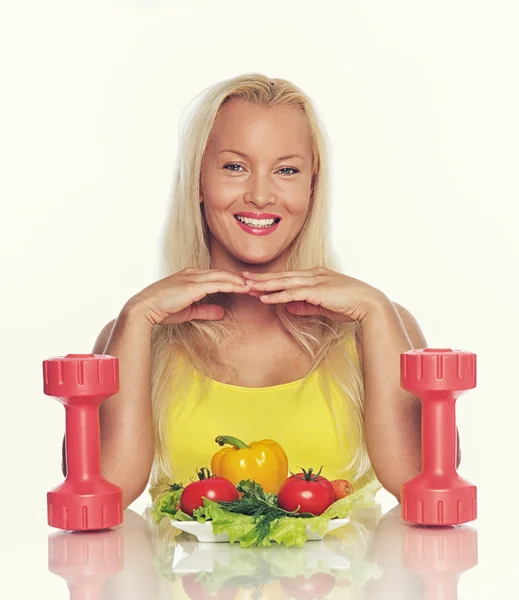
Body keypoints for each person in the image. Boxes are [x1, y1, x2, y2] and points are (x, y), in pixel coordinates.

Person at [62, 73, 460, 509]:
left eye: (287, 170)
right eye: (235, 167)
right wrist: (136, 318)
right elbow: (101, 498)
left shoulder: (380, 325)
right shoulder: (134, 334)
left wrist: (376, 311)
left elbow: (423, 488)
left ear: (312, 186)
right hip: (190, 581)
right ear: (197, 180)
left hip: (346, 581)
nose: (261, 195)